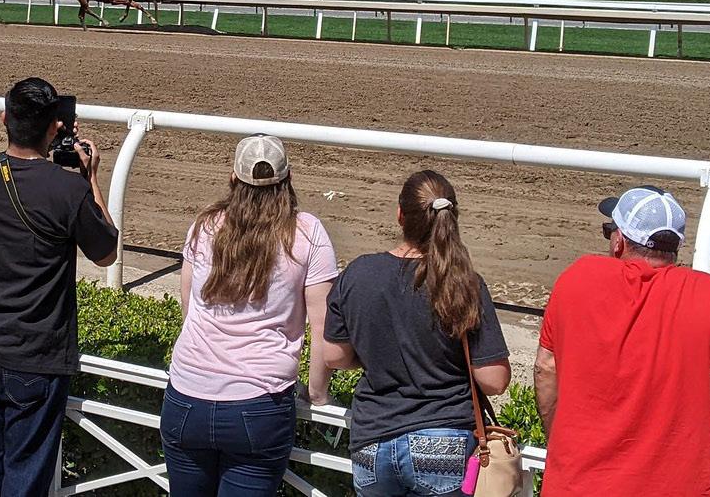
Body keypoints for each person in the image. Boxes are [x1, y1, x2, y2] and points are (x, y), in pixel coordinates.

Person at [533, 187, 710, 497]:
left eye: (609, 230)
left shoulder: (576, 279)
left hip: (577, 484)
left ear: (619, 240)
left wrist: (564, 446)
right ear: (676, 247)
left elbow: (545, 369)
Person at [0, 78, 118, 496]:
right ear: (55, 127)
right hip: (36, 355)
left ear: (4, 119)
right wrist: (91, 177)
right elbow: (106, 253)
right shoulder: (69, 189)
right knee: (25, 476)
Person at [317, 171, 509, 496]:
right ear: (452, 218)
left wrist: (378, 355)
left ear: (400, 215)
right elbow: (494, 380)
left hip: (373, 439)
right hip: (443, 436)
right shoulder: (464, 283)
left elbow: (334, 356)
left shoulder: (360, 273)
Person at [164, 135, 336, 496]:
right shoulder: (308, 232)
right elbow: (323, 328)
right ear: (288, 179)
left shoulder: (204, 225)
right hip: (260, 406)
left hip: (186, 398)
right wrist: (318, 395)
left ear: (233, 178)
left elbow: (188, 308)